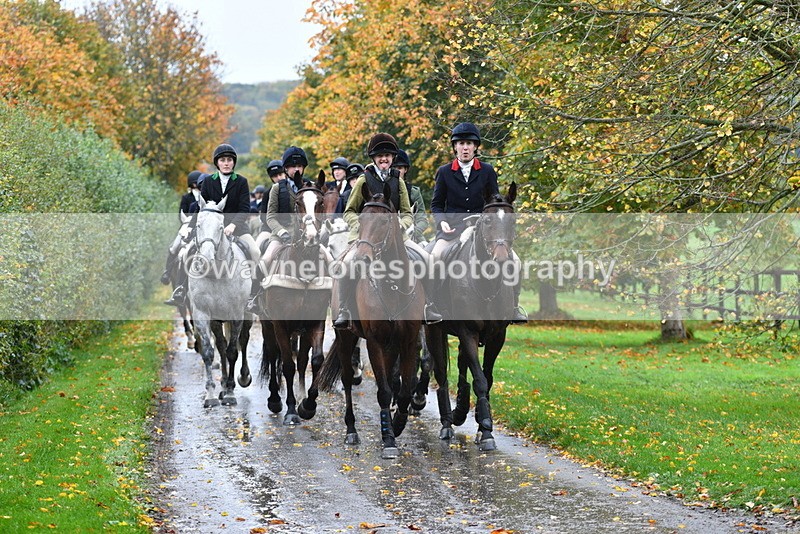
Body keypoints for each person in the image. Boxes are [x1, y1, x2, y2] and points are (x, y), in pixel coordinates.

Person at [333, 133, 442, 328]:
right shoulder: (363, 180)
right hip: (365, 238)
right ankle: (344, 309)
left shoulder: (398, 181)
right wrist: (363, 227)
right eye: (380, 155)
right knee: (347, 265)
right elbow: (349, 211)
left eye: (387, 155)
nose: (384, 158)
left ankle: (429, 306)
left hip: (396, 237)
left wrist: (400, 226)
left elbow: (407, 213)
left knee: (428, 260)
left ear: (392, 158)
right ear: (374, 158)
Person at [430, 122, 527, 323]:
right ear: (455, 147)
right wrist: (441, 223)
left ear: (475, 147)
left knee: (516, 261)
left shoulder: (487, 170)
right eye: (461, 143)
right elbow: (437, 204)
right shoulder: (444, 172)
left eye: (469, 144)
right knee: (435, 257)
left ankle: (514, 307)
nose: (465, 148)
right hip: (453, 230)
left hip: (483, 230)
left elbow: (494, 201)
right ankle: (434, 305)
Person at [165, 143, 260, 306]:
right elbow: (201, 208)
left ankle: (254, 294)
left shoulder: (241, 182)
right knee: (187, 251)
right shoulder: (209, 181)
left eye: (229, 160)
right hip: (210, 228)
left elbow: (244, 208)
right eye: (222, 160)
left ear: (233, 162)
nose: (226, 163)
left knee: (255, 252)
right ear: (217, 163)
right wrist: (190, 227)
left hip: (237, 228)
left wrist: (233, 225)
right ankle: (181, 289)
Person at [246, 146, 312, 313]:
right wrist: (282, 232)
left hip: (306, 236)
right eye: (292, 166)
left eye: (299, 166)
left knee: (328, 257)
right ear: (286, 169)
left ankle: (333, 297)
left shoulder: (309, 187)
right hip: (281, 235)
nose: (296, 170)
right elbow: (270, 217)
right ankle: (254, 295)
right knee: (266, 259)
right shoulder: (277, 189)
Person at [161, 170, 204, 285]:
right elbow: (181, 213)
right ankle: (167, 272)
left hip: (201, 225)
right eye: (198, 183)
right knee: (174, 248)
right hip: (187, 225)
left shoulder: (206, 197)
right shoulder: (186, 198)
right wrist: (188, 222)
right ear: (193, 184)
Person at [393, 149, 429, 243]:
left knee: (427, 251)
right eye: (393, 168)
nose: (396, 171)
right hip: (388, 237)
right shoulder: (382, 191)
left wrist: (412, 232)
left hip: (411, 236)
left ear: (405, 170)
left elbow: (423, 220)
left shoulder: (414, 192)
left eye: (399, 168)